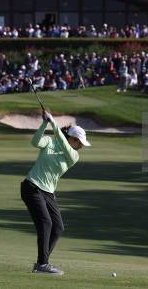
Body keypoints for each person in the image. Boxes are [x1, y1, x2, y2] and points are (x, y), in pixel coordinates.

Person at [21, 111, 91, 275]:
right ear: (71, 138)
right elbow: (35, 141)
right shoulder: (50, 142)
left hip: (48, 193)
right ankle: (43, 264)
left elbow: (63, 142)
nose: (81, 145)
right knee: (46, 223)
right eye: (79, 142)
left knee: (58, 228)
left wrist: (53, 123)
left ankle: (41, 262)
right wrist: (45, 123)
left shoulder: (73, 155)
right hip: (32, 187)